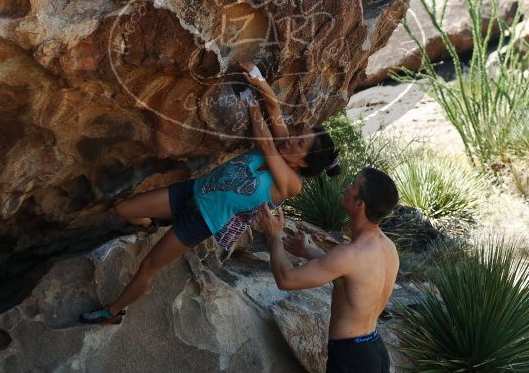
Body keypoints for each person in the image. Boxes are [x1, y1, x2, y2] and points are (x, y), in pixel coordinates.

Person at [80, 62, 340, 325]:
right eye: (297, 135)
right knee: (124, 209)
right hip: (192, 190)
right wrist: (258, 80)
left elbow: (264, 141)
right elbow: (273, 109)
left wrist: (250, 101)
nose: (291, 140)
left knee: (149, 266)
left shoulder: (291, 183)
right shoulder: (285, 144)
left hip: (202, 221)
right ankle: (150, 226)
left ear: (304, 162)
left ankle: (113, 311)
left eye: (300, 143)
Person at [254, 167, 400, 373]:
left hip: (350, 359)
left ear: (359, 204)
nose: (347, 187)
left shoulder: (350, 253)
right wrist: (309, 251)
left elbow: (286, 279)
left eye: (353, 186)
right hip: (375, 351)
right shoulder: (387, 248)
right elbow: (354, 278)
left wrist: (273, 236)